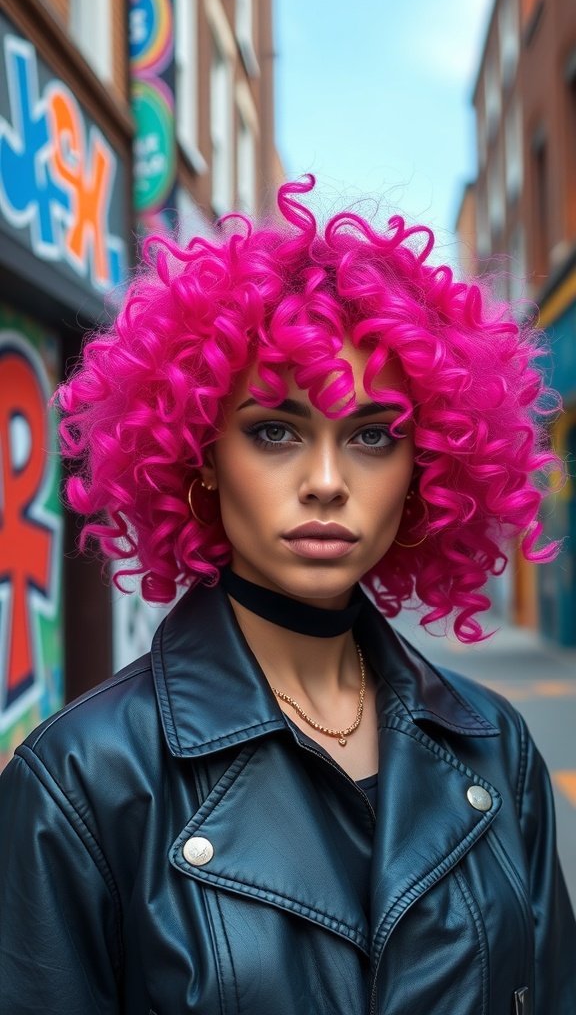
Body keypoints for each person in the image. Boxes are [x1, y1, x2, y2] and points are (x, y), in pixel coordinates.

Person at [1, 175, 575, 1015]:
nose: (328, 482)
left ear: (426, 468)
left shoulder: (497, 748)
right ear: (202, 454)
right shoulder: (83, 781)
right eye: (275, 431)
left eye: (373, 435)